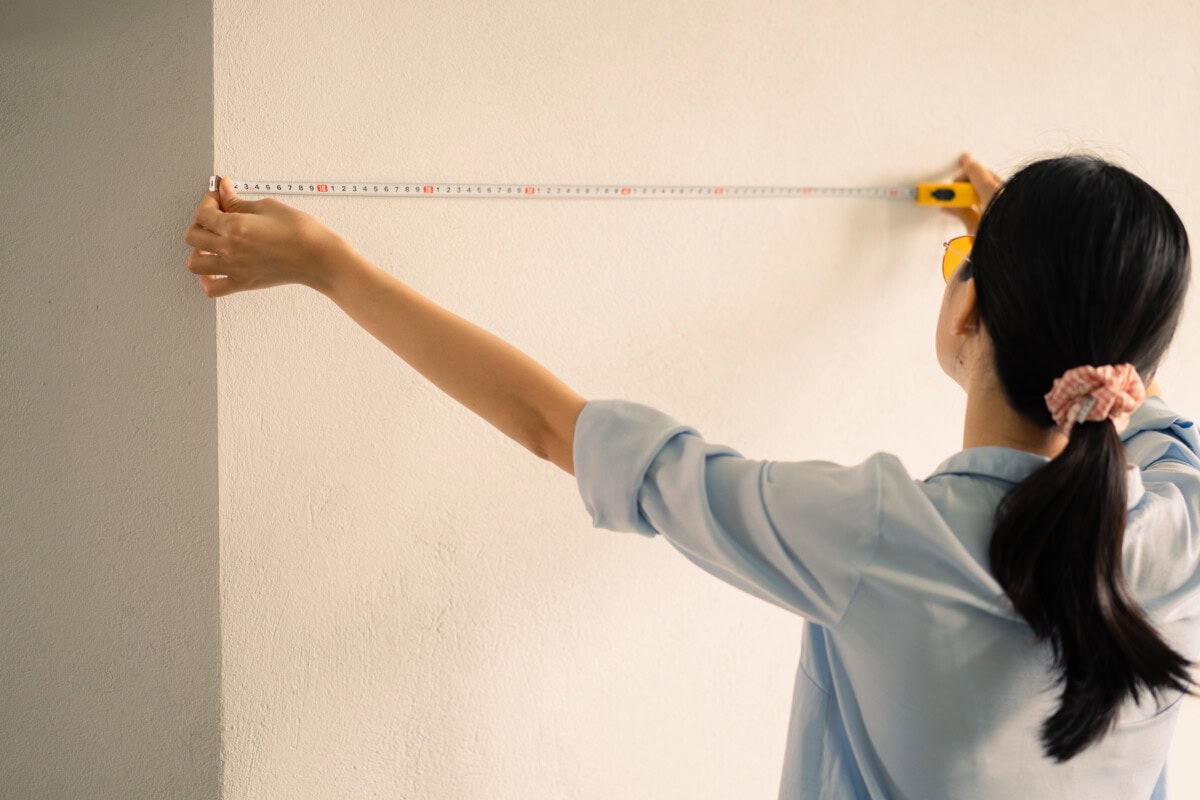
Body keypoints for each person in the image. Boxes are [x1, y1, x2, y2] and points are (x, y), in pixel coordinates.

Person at [184, 153, 1199, 798]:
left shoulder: (874, 531)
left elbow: (554, 426)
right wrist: (1036, 264)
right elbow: (1144, 408)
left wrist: (329, 264)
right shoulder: (1182, 528)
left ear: (968, 312)